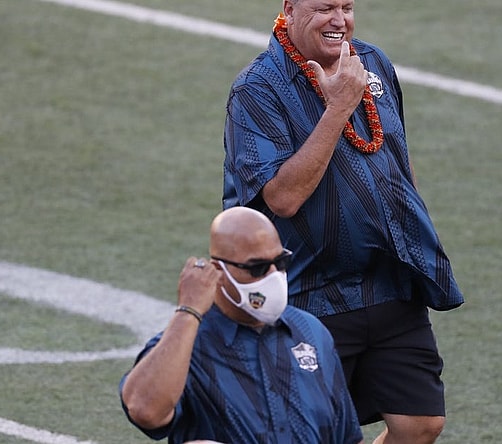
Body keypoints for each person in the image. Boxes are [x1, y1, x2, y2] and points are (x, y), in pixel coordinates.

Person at [221, 1, 465, 443]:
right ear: (290, 9)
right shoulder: (257, 90)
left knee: (420, 424)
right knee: (314, 434)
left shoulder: (372, 63)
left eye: (346, 7)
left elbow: (397, 160)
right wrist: (337, 109)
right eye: (323, 8)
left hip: (388, 281)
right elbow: (283, 197)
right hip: (309, 293)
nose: (339, 20)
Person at [119, 207, 364, 444]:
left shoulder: (311, 331)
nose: (273, 276)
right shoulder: (187, 345)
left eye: (280, 263)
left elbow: (347, 436)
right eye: (257, 268)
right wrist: (188, 312)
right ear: (218, 271)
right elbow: (144, 410)